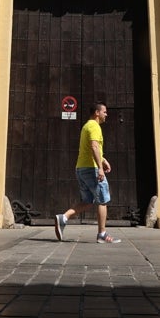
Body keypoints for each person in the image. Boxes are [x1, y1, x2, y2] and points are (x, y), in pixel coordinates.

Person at [54, 101, 121, 244]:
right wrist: (100, 168)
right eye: (104, 112)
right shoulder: (94, 126)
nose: (106, 114)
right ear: (97, 113)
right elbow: (94, 147)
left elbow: (90, 149)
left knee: (88, 201)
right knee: (103, 200)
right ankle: (102, 234)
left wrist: (103, 160)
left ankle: (64, 218)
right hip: (91, 169)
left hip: (81, 168)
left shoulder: (86, 126)